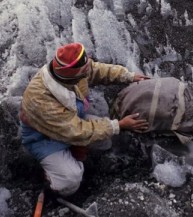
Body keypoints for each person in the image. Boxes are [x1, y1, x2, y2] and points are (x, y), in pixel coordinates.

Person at [19, 42, 150, 196]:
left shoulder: (70, 72)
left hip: (70, 122)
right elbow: (76, 131)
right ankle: (51, 180)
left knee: (105, 142)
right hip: (44, 137)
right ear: (71, 77)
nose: (87, 73)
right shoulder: (40, 98)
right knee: (71, 180)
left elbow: (95, 70)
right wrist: (119, 125)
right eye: (83, 73)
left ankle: (75, 153)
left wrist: (128, 76)